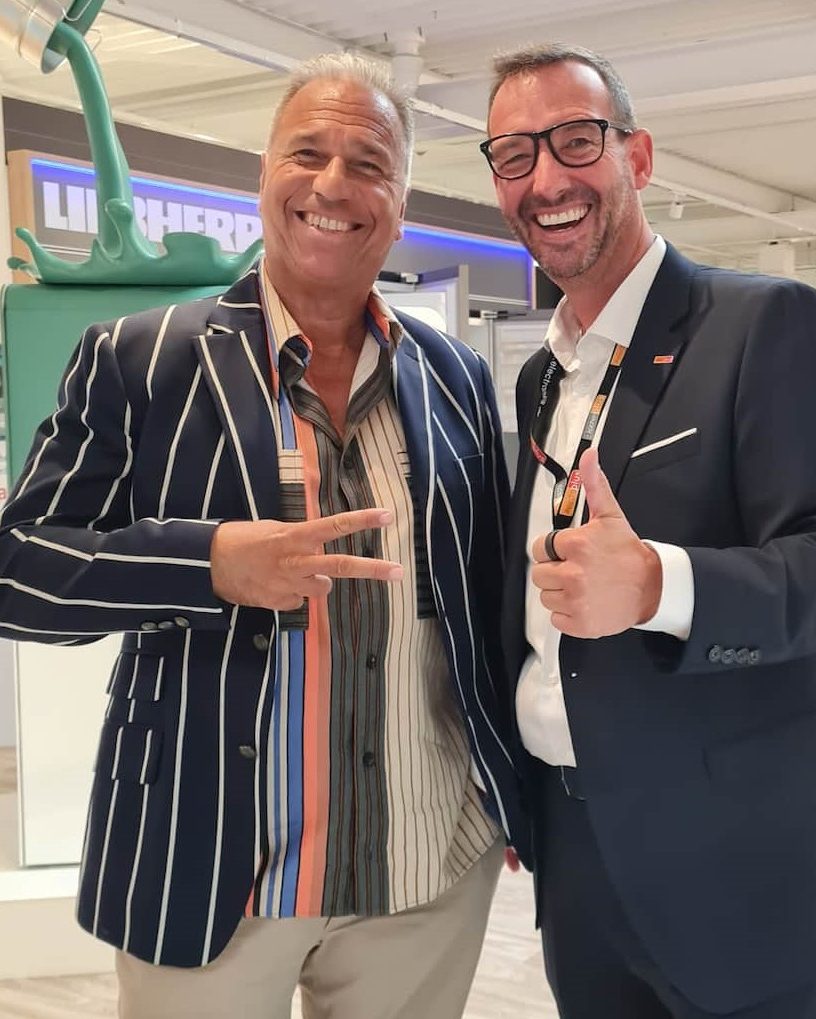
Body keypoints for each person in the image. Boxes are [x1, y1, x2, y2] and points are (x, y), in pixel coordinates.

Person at [0, 53, 527, 1018]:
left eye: (368, 164)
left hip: (425, 871)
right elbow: (16, 568)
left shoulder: (453, 373)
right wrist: (205, 564)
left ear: (400, 206)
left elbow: (484, 597)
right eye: (307, 153)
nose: (333, 183)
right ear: (264, 177)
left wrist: (509, 786)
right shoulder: (141, 358)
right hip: (211, 867)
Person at [484, 44, 816, 1019]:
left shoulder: (764, 323)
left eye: (575, 140)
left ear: (636, 157)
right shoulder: (543, 375)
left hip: (749, 863)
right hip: (578, 855)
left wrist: (657, 584)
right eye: (513, 155)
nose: (545, 179)